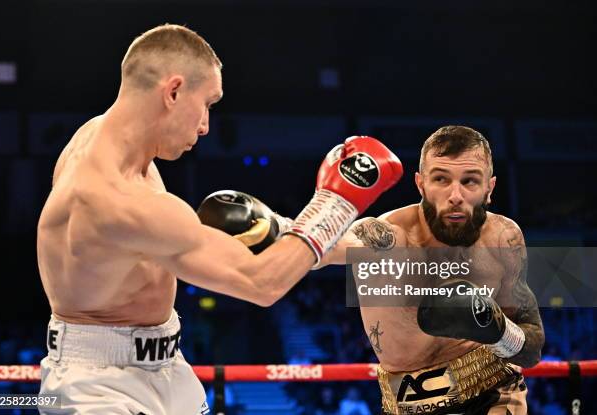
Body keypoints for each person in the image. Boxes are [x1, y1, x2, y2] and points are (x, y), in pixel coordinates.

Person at [36, 24, 403, 415]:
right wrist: (336, 202)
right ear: (173, 91)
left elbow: (269, 248)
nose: (206, 125)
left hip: (165, 365)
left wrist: (369, 247)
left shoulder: (102, 141)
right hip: (97, 389)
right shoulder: (120, 202)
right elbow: (262, 282)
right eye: (208, 103)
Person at [320, 126, 545, 414]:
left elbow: (532, 348)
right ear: (420, 184)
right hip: (407, 405)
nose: (455, 195)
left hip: (495, 392)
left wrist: (498, 330)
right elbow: (324, 249)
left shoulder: (504, 237)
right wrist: (275, 224)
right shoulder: (389, 236)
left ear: (490, 188)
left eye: (470, 181)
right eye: (441, 179)